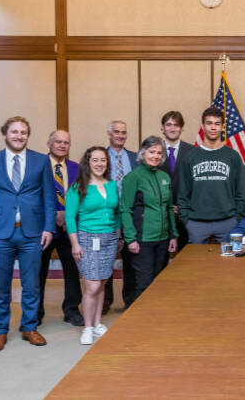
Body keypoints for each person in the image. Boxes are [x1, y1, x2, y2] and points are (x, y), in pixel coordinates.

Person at [0, 116, 55, 353]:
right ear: (5, 134)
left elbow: (49, 199)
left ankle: (29, 327)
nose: (19, 136)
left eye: (23, 132)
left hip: (32, 233)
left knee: (31, 284)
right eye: (15, 132)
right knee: (1, 285)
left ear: (28, 136)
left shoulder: (41, 161)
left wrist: (49, 227)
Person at [65, 147, 121, 345]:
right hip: (87, 238)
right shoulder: (77, 187)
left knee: (103, 281)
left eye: (103, 160)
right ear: (88, 163)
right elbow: (70, 217)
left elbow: (118, 213)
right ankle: (87, 327)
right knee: (92, 285)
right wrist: (75, 244)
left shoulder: (112, 185)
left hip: (109, 239)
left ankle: (97, 324)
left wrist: (119, 236)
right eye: (95, 160)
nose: (99, 164)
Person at [121, 136, 178, 306]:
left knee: (158, 281)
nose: (155, 156)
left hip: (162, 239)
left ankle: (155, 317)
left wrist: (173, 235)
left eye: (159, 153)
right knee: (144, 283)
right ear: (143, 153)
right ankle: (138, 321)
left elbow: (169, 208)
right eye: (152, 152)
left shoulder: (165, 177)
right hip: (142, 240)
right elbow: (125, 209)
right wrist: (130, 239)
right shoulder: (133, 177)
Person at [177, 107, 245, 244]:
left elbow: (241, 191)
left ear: (223, 127)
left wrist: (237, 218)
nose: (213, 127)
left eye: (217, 124)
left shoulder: (233, 156)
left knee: (230, 263)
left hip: (228, 222)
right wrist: (186, 220)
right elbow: (182, 194)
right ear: (203, 126)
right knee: (198, 264)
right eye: (209, 123)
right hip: (196, 223)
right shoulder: (190, 157)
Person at [38, 130, 83, 327]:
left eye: (66, 142)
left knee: (72, 270)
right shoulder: (37, 165)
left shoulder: (77, 168)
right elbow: (32, 195)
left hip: (69, 228)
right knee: (38, 271)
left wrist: (67, 216)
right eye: (58, 142)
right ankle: (36, 312)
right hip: (43, 228)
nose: (62, 145)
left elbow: (83, 196)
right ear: (49, 143)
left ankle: (72, 310)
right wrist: (52, 215)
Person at [104, 120, 138, 314]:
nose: (120, 135)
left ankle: (130, 300)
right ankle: (105, 301)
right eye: (116, 132)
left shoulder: (134, 158)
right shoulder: (100, 157)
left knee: (131, 260)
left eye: (123, 132)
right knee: (106, 259)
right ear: (109, 134)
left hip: (129, 216)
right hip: (106, 216)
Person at [158, 110, 195, 252]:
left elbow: (195, 183)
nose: (172, 128)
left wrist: (182, 206)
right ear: (162, 127)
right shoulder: (154, 150)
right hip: (160, 214)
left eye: (176, 125)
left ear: (182, 128)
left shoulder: (192, 151)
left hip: (185, 214)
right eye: (168, 124)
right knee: (159, 260)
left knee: (185, 260)